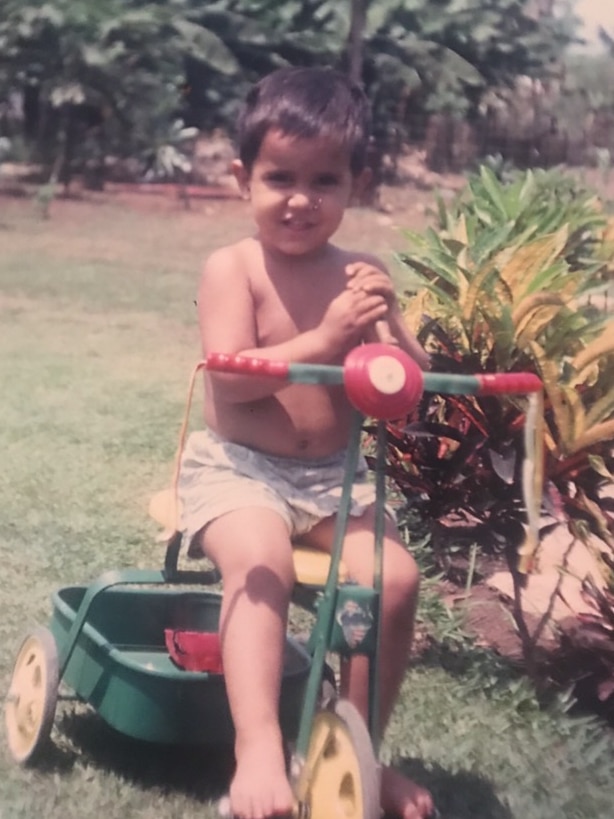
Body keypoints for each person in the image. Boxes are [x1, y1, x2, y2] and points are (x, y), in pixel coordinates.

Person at [178, 66, 434, 819]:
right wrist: (328, 335)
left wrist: (391, 331)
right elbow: (235, 383)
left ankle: (359, 748)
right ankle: (257, 745)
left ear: (358, 181)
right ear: (241, 178)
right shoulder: (234, 269)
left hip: (334, 478)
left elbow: (406, 388)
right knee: (265, 562)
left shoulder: (363, 273)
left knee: (394, 579)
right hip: (241, 471)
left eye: (325, 179)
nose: (300, 198)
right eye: (279, 177)